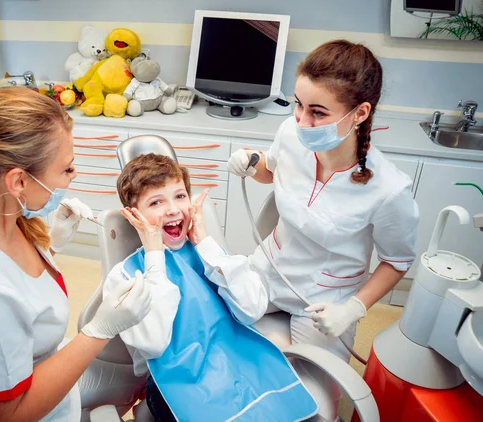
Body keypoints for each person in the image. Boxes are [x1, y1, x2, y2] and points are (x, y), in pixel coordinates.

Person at [0, 86, 152, 422]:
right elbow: (12, 414)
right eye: (66, 169)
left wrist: (51, 244)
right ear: (18, 182)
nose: (74, 175)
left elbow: (14, 281)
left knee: (136, 382)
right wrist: (101, 328)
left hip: (36, 364)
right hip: (19, 409)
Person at [227, 40, 419, 417]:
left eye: (317, 112)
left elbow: (397, 261)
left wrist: (353, 308)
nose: (301, 121)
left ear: (360, 113)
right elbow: (274, 171)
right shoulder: (291, 133)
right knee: (228, 360)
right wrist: (254, 163)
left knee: (315, 408)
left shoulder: (390, 190)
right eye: (298, 104)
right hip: (268, 271)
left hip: (324, 300)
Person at [103, 153, 318, 422]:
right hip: (178, 386)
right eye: (157, 202)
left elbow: (251, 309)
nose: (173, 210)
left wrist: (206, 244)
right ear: (133, 214)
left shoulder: (206, 253)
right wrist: (154, 255)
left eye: (180, 197)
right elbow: (155, 343)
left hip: (238, 366)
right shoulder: (124, 275)